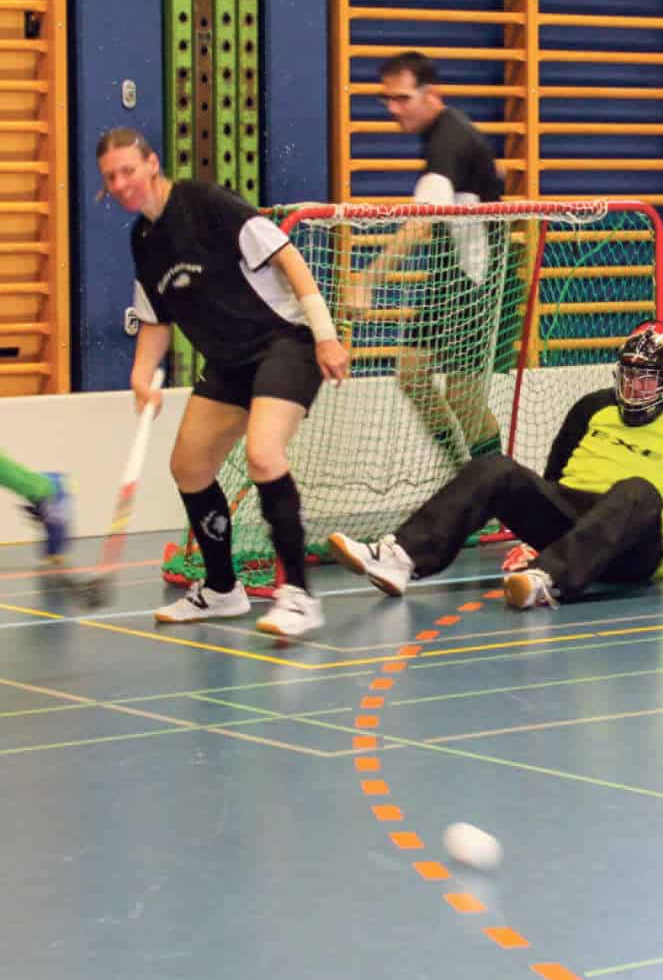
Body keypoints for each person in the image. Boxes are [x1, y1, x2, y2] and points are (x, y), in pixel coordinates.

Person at [97, 127, 350, 637]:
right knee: (188, 467)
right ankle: (220, 589)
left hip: (286, 342)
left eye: (129, 170)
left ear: (152, 164)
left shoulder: (205, 202)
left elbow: (287, 257)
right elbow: (156, 318)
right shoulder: (143, 240)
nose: (123, 183)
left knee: (263, 455)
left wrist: (324, 334)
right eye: (111, 177)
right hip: (230, 362)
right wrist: (141, 375)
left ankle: (298, 595)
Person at [327, 320, 663, 609]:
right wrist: (537, 534)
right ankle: (400, 557)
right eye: (627, 376)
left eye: (645, 379)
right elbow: (554, 475)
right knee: (495, 467)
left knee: (639, 491)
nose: (633, 387)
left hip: (633, 547)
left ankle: (545, 581)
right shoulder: (592, 407)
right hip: (572, 519)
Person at [348, 50, 519, 467]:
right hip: (448, 279)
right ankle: (465, 473)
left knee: (462, 395)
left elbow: (420, 223)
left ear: (431, 95)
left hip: (478, 281)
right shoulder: (436, 136)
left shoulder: (449, 139)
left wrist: (369, 279)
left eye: (402, 98)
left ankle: (496, 491)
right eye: (387, 99)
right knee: (411, 374)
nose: (393, 108)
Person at [3, 453, 70, 559]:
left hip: (46, 489)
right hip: (47, 488)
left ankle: (53, 552)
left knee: (55, 528)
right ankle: (53, 552)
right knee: (55, 528)